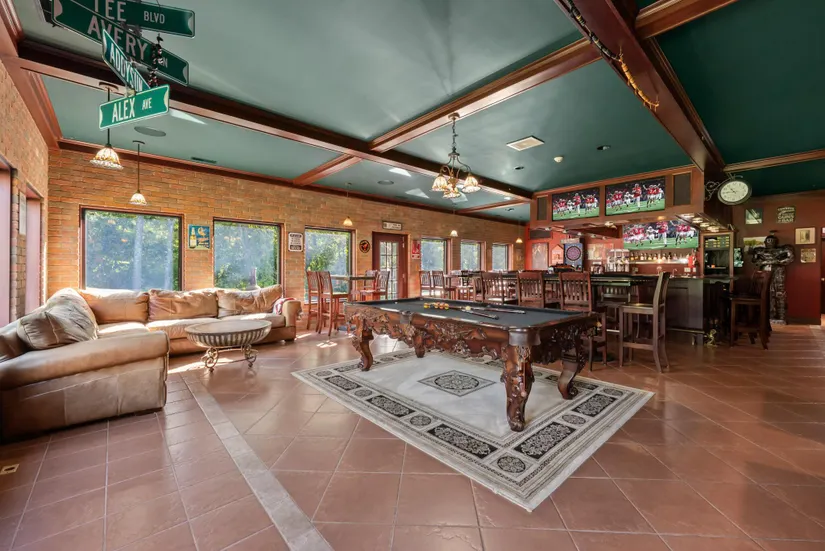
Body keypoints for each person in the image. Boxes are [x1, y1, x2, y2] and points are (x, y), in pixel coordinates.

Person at [750, 233, 795, 323]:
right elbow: (755, 260)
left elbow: (791, 257)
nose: (770, 242)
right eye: (768, 241)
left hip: (778, 271)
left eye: (772, 241)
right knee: (764, 292)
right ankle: (765, 315)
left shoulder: (783, 249)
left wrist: (771, 261)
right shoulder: (759, 250)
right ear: (765, 242)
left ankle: (781, 316)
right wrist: (773, 261)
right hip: (765, 271)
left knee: (779, 292)